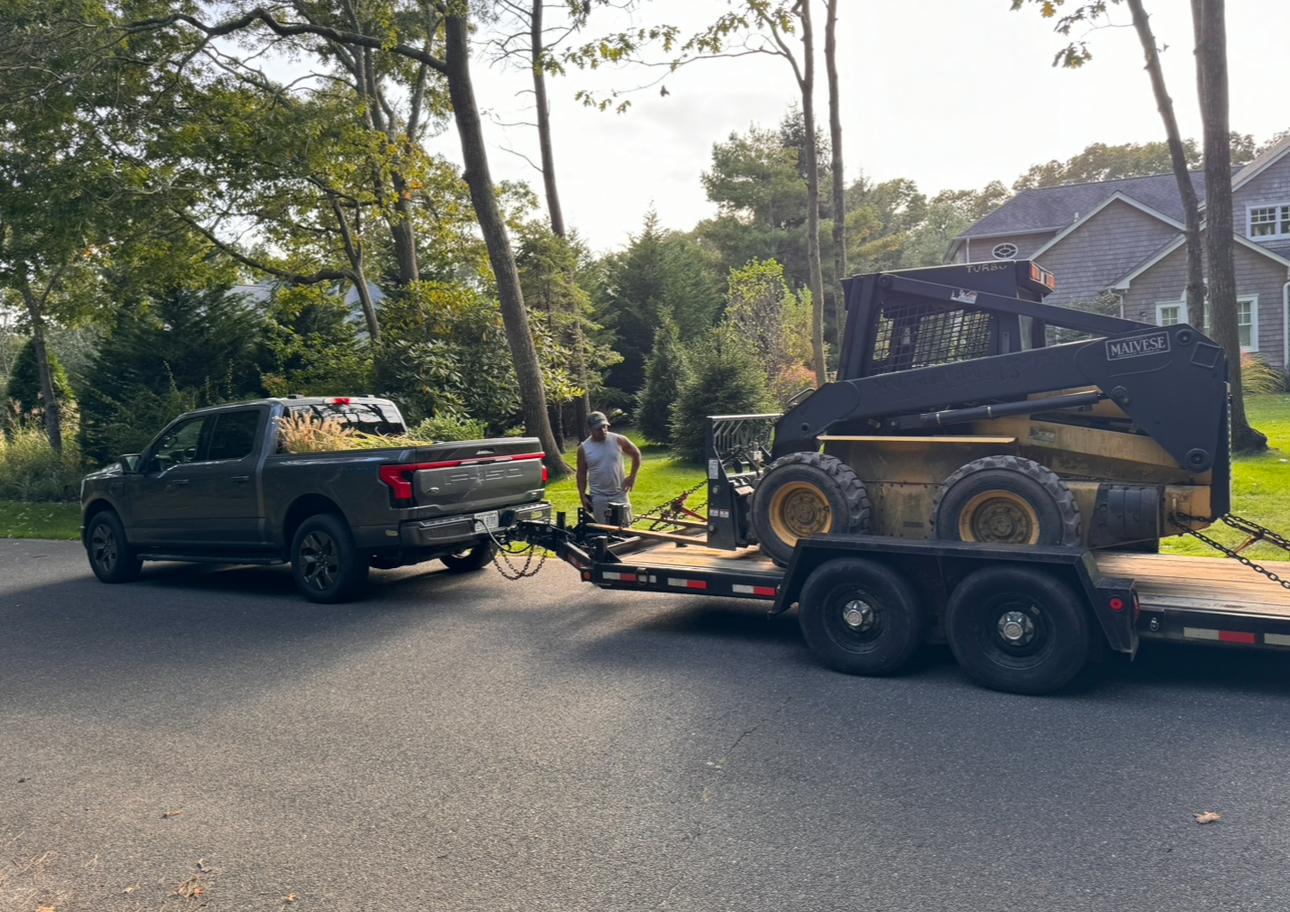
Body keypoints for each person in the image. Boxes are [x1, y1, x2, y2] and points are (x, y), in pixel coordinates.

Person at [576, 411, 642, 525]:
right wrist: (582, 495)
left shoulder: (618, 440)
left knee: (626, 530)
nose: (603, 431)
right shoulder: (584, 448)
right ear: (590, 429)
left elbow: (636, 454)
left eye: (604, 426)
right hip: (599, 496)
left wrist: (632, 477)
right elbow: (581, 474)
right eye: (598, 428)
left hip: (619, 493)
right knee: (603, 532)